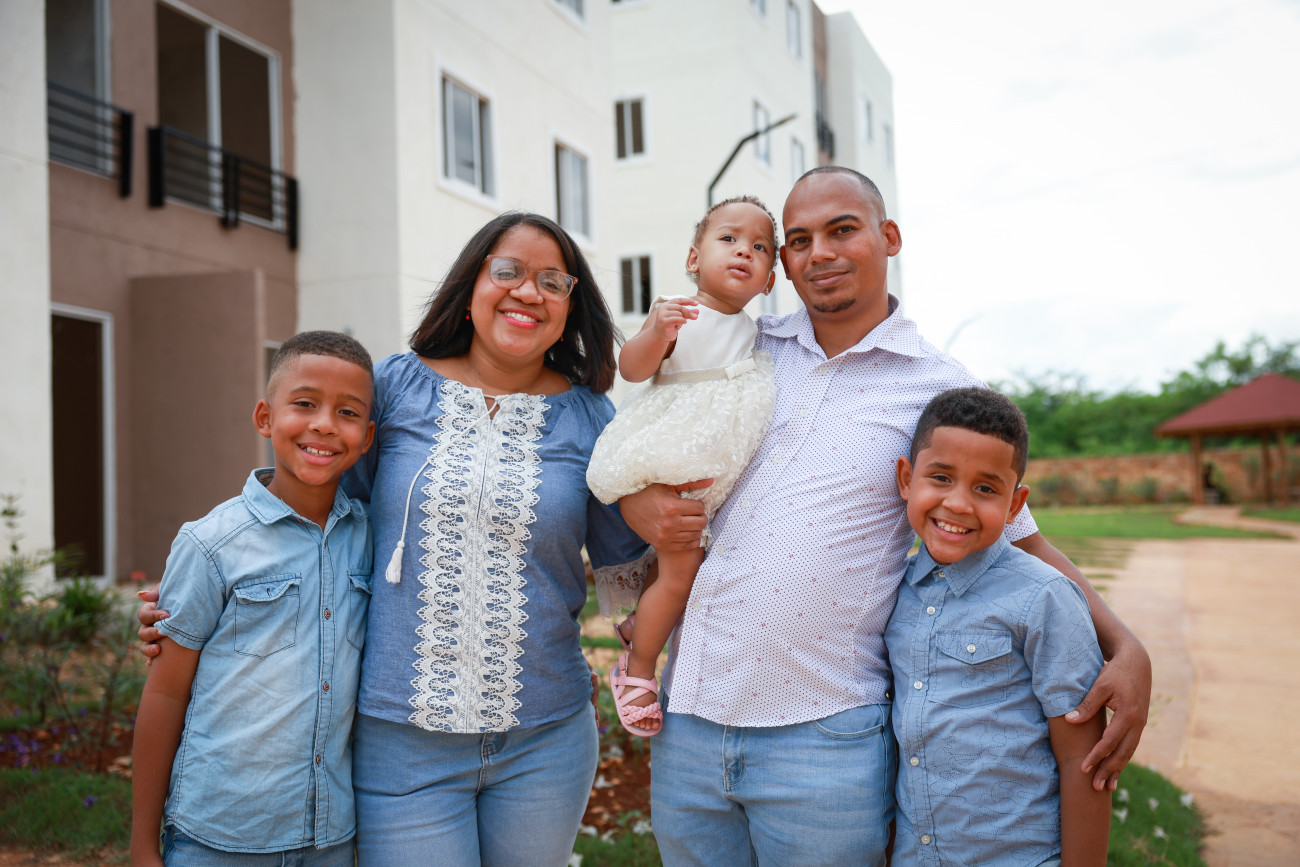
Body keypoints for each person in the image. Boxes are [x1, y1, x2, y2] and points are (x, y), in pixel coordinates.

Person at [618, 166, 1152, 866]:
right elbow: (651, 429)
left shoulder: (940, 386)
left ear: (889, 237)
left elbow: (1024, 542)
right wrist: (636, 501)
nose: (820, 253)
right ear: (784, 262)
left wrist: (1124, 645)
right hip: (689, 712)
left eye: (842, 230)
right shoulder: (743, 347)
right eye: (799, 240)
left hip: (825, 733)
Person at [139, 212, 652, 867]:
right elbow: (321, 515)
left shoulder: (591, 416)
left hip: (547, 741)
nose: (529, 291)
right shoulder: (395, 388)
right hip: (401, 740)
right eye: (508, 271)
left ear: (569, 308)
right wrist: (203, 593)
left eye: (553, 282)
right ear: (470, 289)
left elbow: (622, 568)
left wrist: (652, 627)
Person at [129, 331, 377, 867]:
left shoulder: (372, 537)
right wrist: (142, 845)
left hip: (330, 839)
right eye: (305, 403)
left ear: (367, 437)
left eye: (347, 412)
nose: (324, 424)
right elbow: (165, 694)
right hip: (219, 835)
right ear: (265, 417)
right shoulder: (211, 544)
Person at [888, 386, 1110, 865]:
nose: (959, 504)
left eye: (986, 489)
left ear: (1015, 505)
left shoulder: (1045, 597)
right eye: (941, 477)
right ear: (907, 479)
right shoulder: (892, 590)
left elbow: (1083, 760)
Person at [587, 196, 779, 736]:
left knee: (670, 568)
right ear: (694, 258)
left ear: (769, 280)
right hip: (673, 454)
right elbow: (632, 369)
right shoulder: (678, 313)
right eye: (729, 239)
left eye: (760, 247)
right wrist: (657, 332)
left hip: (712, 467)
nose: (744, 251)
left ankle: (637, 630)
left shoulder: (758, 332)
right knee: (680, 573)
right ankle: (639, 670)